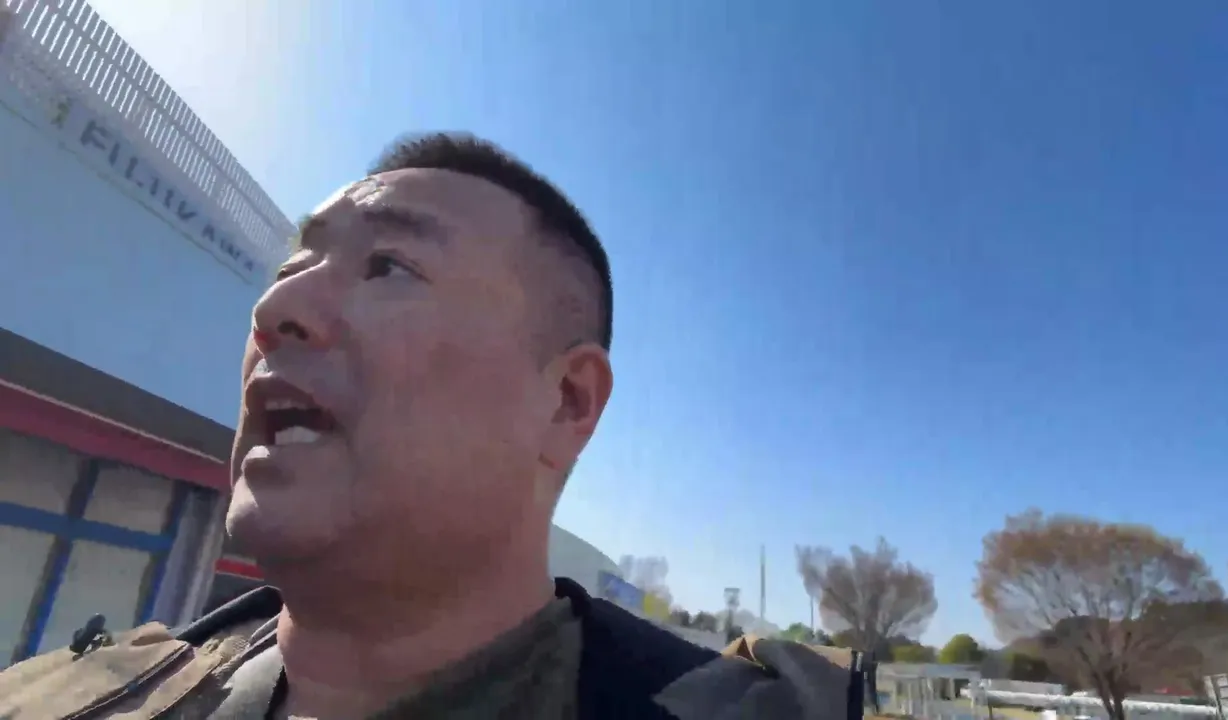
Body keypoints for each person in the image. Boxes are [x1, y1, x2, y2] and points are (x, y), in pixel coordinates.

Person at [0, 133, 859, 719]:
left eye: (389, 266)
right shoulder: (64, 697)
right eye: (292, 268)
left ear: (566, 402)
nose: (274, 309)